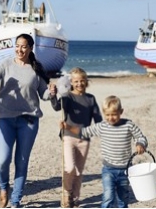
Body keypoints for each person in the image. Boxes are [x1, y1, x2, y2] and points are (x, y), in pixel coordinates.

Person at [0, 33, 57, 208]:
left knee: (22, 161)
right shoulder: (6, 64)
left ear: (30, 48)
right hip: (5, 118)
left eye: (24, 46)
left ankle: (15, 200)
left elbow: (44, 95)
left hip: (29, 120)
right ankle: (3, 187)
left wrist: (52, 91)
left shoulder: (36, 69)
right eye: (17, 45)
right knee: (2, 160)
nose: (20, 49)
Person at [61, 95, 148, 208]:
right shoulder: (102, 126)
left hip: (125, 170)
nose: (111, 118)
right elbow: (84, 132)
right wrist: (68, 127)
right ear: (103, 113)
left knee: (123, 198)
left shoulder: (128, 125)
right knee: (108, 196)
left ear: (121, 111)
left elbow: (141, 137)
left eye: (114, 114)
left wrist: (140, 144)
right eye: (107, 115)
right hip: (108, 170)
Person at [50, 67, 103, 208]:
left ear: (86, 81)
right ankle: (67, 193)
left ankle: (75, 198)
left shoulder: (90, 99)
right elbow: (56, 107)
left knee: (79, 172)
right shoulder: (68, 97)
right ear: (71, 82)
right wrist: (53, 95)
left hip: (84, 139)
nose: (79, 83)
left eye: (82, 80)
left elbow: (98, 120)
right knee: (70, 168)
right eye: (76, 81)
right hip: (68, 137)